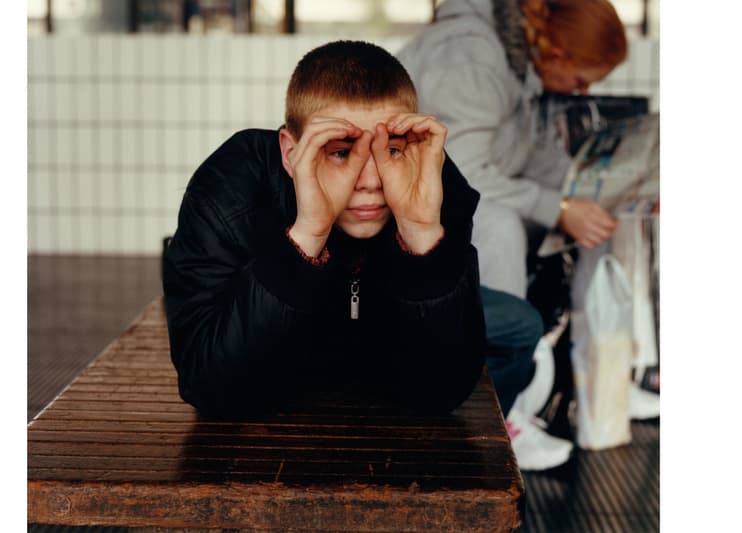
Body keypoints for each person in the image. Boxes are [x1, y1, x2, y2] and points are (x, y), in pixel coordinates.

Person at [162, 40, 564, 468]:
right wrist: (308, 234)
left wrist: (421, 232)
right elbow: (208, 386)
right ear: (290, 152)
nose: (370, 180)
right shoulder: (230, 184)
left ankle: (497, 434)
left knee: (520, 326)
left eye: (390, 149)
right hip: (297, 340)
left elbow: (440, 393)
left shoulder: (430, 178)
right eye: (340, 152)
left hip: (379, 331)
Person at [397, 0, 626, 299]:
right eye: (580, 81)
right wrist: (559, 210)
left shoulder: (517, 58)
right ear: (556, 55)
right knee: (500, 229)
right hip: (399, 209)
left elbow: (524, 154)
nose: (582, 93)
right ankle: (502, 339)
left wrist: (605, 192)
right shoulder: (473, 58)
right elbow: (461, 177)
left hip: (434, 204)